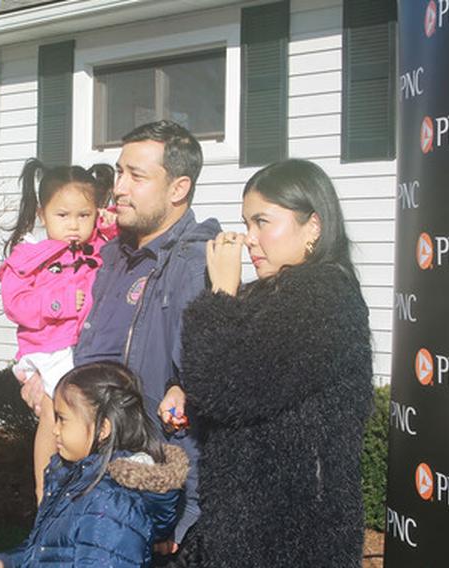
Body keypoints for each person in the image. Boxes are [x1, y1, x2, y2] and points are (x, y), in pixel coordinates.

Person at [21, 120, 220, 556]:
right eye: (119, 172)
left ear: (178, 188)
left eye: (136, 176)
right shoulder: (109, 257)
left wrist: (182, 520)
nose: (118, 189)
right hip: (87, 495)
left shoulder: (191, 267)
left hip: (148, 512)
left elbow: (203, 398)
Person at [166, 159, 373, 566]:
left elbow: (226, 388)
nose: (249, 239)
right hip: (248, 524)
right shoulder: (271, 296)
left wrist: (222, 293)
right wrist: (184, 392)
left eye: (263, 222)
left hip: (291, 535)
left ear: (313, 226)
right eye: (246, 223)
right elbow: (224, 387)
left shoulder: (325, 299)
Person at [0, 362, 189, 568]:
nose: (55, 430)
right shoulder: (75, 478)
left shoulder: (113, 503)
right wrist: (6, 562)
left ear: (103, 428)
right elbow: (47, 551)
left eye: (63, 419)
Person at [0, 158, 117, 500]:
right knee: (55, 411)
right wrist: (59, 303)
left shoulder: (99, 246)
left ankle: (82, 484)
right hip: (49, 348)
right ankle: (43, 490)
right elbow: (16, 305)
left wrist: (109, 226)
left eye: (84, 215)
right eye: (62, 216)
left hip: (80, 346)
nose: (74, 226)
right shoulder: (31, 255)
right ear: (41, 213)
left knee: (89, 417)